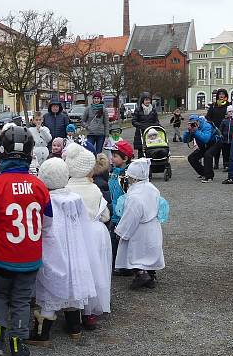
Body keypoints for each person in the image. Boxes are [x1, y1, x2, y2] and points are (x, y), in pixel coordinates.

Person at [0, 125, 52, 356]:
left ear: (2, 153)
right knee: (21, 299)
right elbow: (47, 221)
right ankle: (18, 345)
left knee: (0, 294)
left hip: (3, 255)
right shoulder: (39, 186)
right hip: (29, 257)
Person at [32, 157, 96, 342]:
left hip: (53, 246)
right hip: (75, 248)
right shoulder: (75, 198)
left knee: (50, 287)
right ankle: (74, 326)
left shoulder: (46, 199)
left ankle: (42, 332)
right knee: (73, 283)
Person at [64, 143, 111, 330]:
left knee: (76, 270)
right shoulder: (94, 190)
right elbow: (105, 215)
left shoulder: (65, 188)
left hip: (74, 234)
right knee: (96, 270)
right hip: (95, 233)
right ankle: (90, 313)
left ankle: (74, 308)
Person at [114, 158, 166, 289]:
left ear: (134, 178)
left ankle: (141, 274)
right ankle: (150, 274)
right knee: (149, 251)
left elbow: (130, 217)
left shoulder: (134, 197)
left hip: (139, 229)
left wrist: (120, 232)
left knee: (136, 252)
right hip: (153, 225)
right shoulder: (152, 189)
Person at [108, 139, 133, 272]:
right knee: (113, 240)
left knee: (120, 241)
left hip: (121, 215)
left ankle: (123, 267)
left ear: (125, 158)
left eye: (115, 156)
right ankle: (115, 264)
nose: (112, 158)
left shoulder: (127, 176)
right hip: (113, 213)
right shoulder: (115, 172)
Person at [184, 114, 222, 183]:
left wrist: (196, 131)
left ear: (198, 121)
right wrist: (188, 132)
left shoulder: (206, 126)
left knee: (207, 155)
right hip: (203, 145)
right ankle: (204, 173)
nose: (193, 125)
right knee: (191, 158)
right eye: (191, 124)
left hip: (215, 143)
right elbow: (185, 140)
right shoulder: (192, 129)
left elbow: (206, 139)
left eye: (194, 123)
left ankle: (209, 177)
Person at [205, 89, 230, 169]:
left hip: (226, 129)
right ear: (217, 96)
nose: (221, 95)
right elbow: (208, 116)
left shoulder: (229, 105)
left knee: (226, 148)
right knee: (216, 147)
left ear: (226, 96)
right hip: (215, 129)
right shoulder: (213, 105)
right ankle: (216, 163)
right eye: (220, 94)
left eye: (223, 94)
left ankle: (226, 164)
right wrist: (211, 123)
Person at [132, 92, 159, 158]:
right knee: (141, 152)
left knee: (151, 150)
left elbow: (157, 121)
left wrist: (152, 126)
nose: (148, 101)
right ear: (143, 100)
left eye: (149, 100)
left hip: (151, 133)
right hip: (140, 133)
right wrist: (142, 125)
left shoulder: (153, 110)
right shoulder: (138, 110)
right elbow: (134, 121)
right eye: (146, 100)